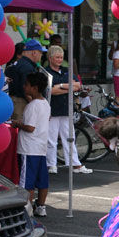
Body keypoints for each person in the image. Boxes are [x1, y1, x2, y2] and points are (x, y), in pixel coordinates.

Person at [44, 45, 91, 175]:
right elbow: (50, 91)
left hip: (66, 109)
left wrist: (61, 86)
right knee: (51, 139)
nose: (60, 60)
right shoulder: (46, 72)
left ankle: (75, 163)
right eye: (57, 57)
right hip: (52, 110)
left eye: (61, 57)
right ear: (50, 58)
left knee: (70, 137)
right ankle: (51, 164)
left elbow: (77, 86)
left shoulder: (66, 70)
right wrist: (67, 87)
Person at [13, 72, 50, 218]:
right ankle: (41, 206)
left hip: (29, 148)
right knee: (42, 181)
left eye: (27, 84)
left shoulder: (32, 106)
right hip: (41, 147)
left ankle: (26, 210)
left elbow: (30, 127)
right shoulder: (44, 103)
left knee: (26, 182)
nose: (24, 87)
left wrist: (17, 123)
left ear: (34, 88)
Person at [6, 39, 45, 121]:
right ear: (34, 53)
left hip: (13, 101)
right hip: (21, 103)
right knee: (22, 127)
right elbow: (27, 90)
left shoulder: (18, 63)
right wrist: (38, 106)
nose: (41, 56)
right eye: (41, 53)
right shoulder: (27, 67)